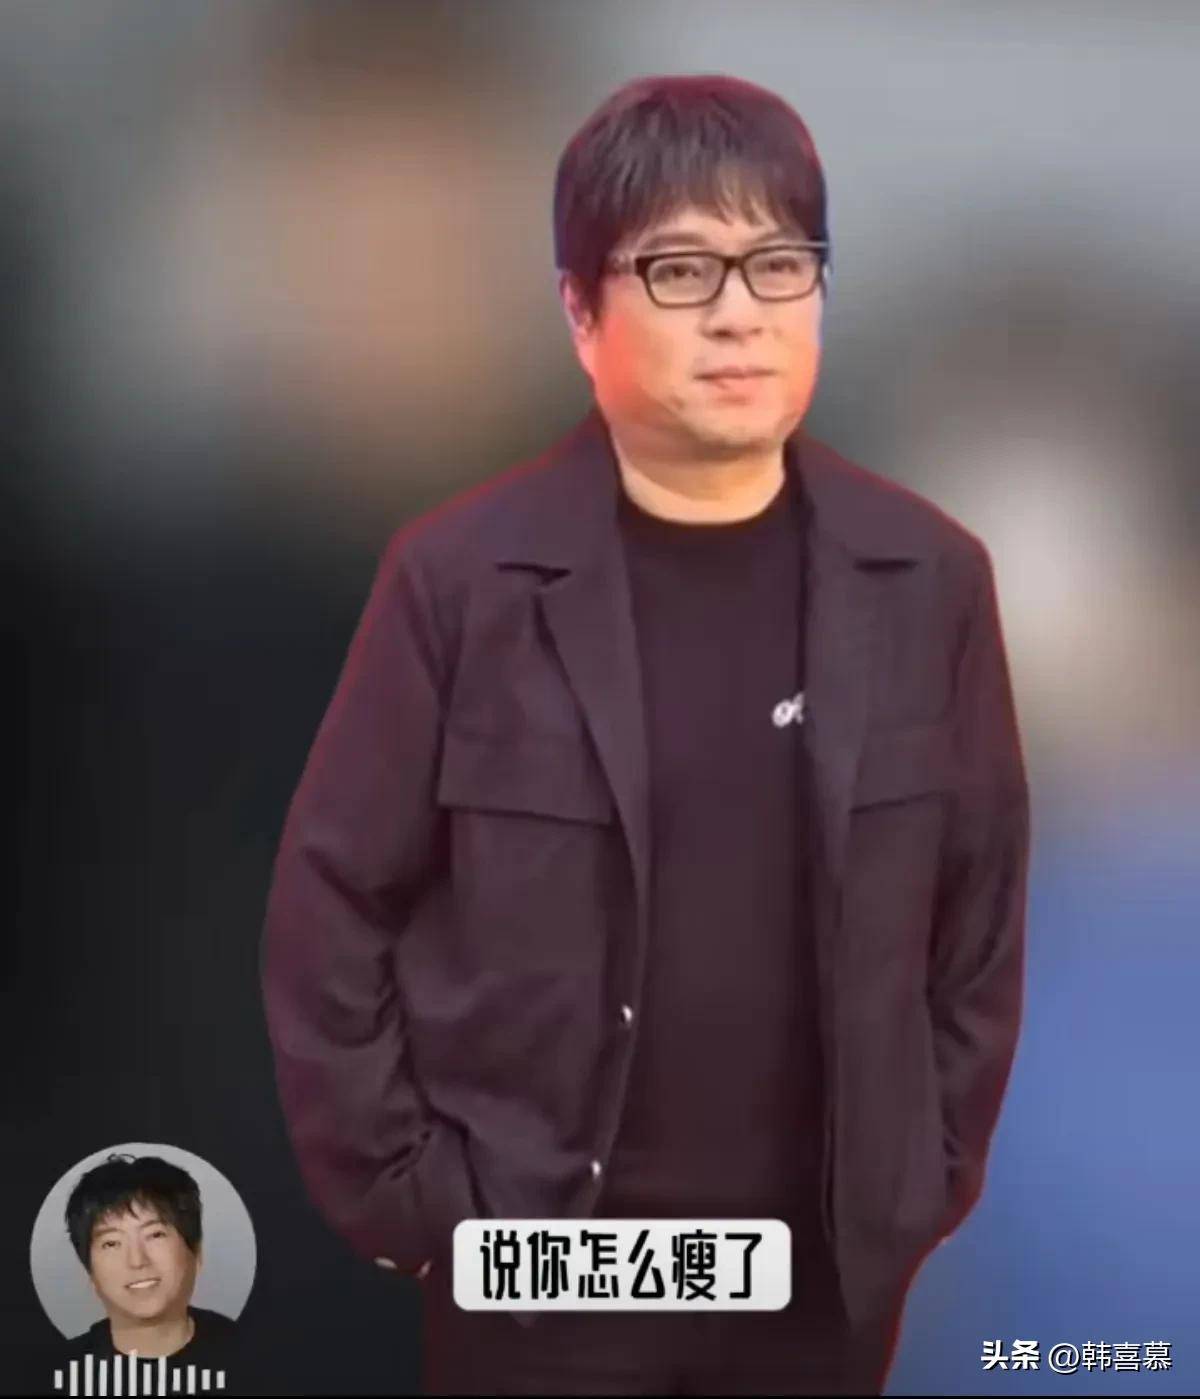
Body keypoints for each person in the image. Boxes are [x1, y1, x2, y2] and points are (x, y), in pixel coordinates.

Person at [262, 72, 1030, 1395]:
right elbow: (329, 912)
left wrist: (923, 1180)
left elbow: (979, 922)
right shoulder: (460, 581)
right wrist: (418, 1203)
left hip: (817, 1280)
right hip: (540, 1271)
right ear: (579, 308)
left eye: (778, 264)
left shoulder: (929, 579)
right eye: (680, 271)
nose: (739, 312)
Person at [50, 1155, 242, 1379]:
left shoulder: (255, 1355)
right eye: (111, 1243)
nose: (137, 1260)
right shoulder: (57, 1375)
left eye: (155, 1235)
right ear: (90, 1272)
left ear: (196, 1254)